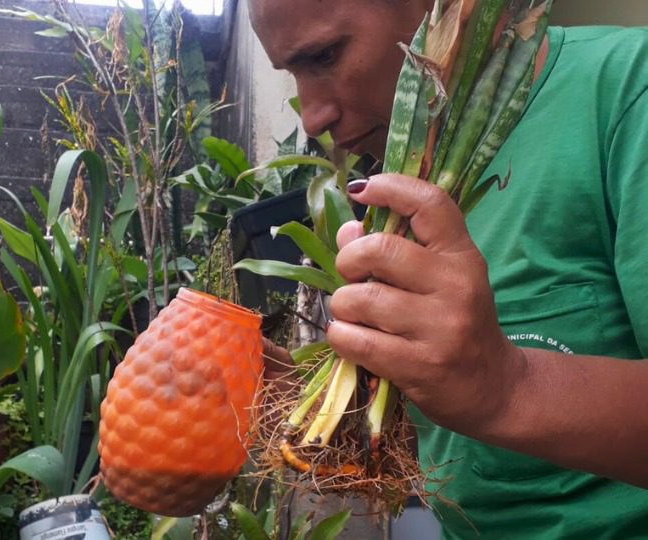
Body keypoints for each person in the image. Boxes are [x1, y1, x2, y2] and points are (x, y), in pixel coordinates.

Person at [249, 0, 648, 537]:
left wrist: (507, 385)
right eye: (293, 73)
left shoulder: (627, 92)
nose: (312, 115)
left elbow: (493, 394)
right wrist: (312, 400)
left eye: (324, 55)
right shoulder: (397, 185)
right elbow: (460, 442)